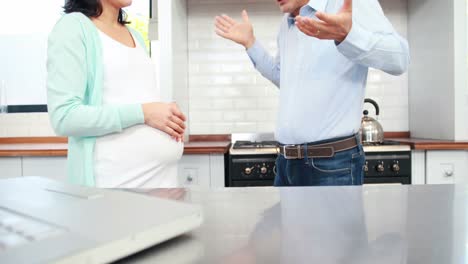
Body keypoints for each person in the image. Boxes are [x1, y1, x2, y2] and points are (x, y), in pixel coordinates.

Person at [214, 0, 409, 186]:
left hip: (332, 164)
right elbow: (285, 79)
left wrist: (349, 35)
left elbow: (400, 59)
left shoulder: (346, 4)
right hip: (285, 163)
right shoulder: (287, 24)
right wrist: (251, 43)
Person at [47, 0, 187, 188]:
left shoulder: (135, 36)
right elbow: (64, 118)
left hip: (162, 182)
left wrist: (165, 116)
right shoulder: (73, 28)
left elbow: (137, 100)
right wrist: (144, 113)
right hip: (114, 189)